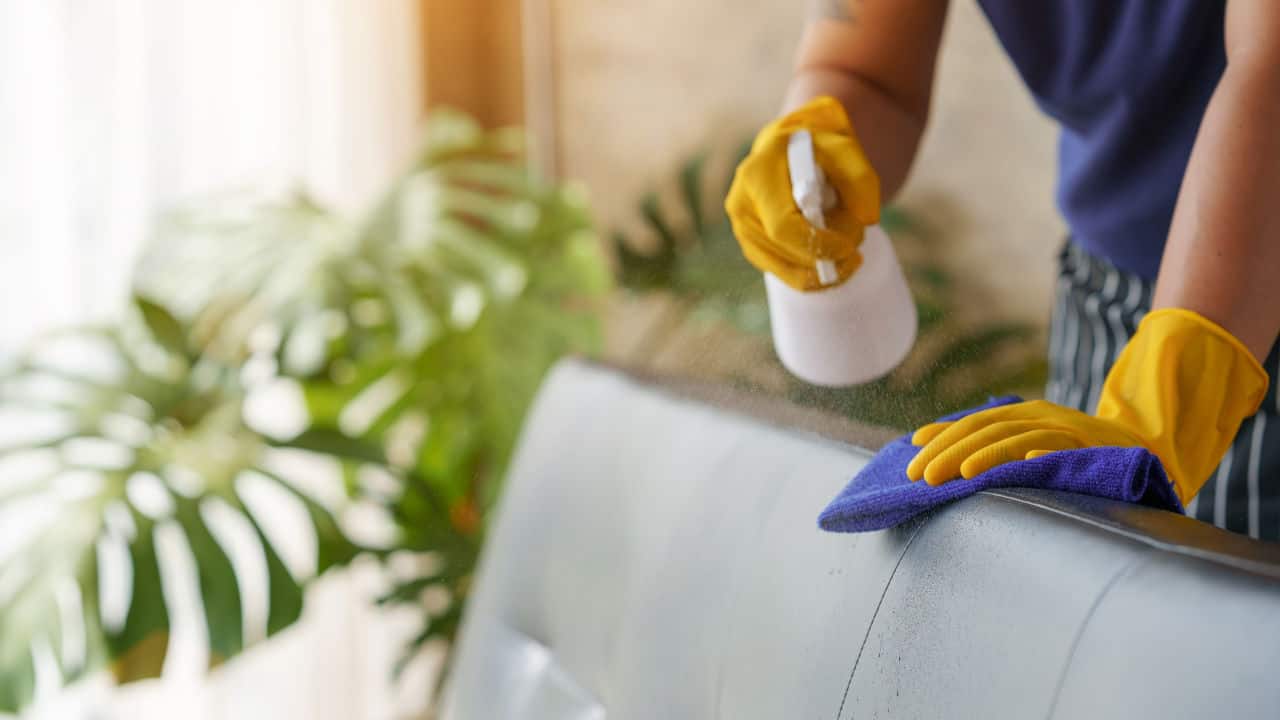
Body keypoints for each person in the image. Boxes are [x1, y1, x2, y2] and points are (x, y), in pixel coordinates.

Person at [725, 0, 1280, 539]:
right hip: (1109, 299)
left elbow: (1271, 69)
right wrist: (820, 141)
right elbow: (865, 70)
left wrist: (1167, 404)